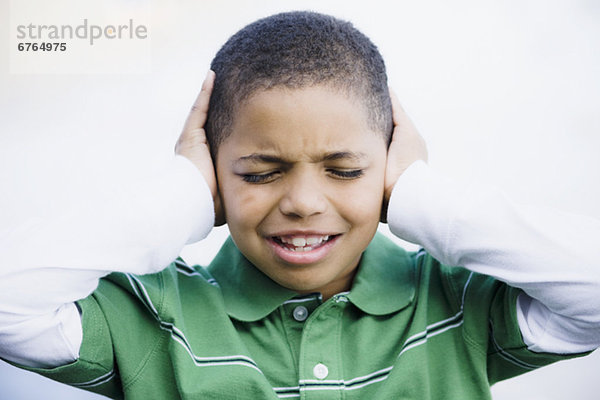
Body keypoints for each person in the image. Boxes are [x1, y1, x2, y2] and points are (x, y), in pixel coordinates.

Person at [1, 11, 599, 399]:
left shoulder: (456, 302)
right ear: (214, 170)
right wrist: (176, 198)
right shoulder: (155, 317)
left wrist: (422, 195)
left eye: (345, 171)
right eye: (262, 172)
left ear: (388, 162)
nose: (304, 203)